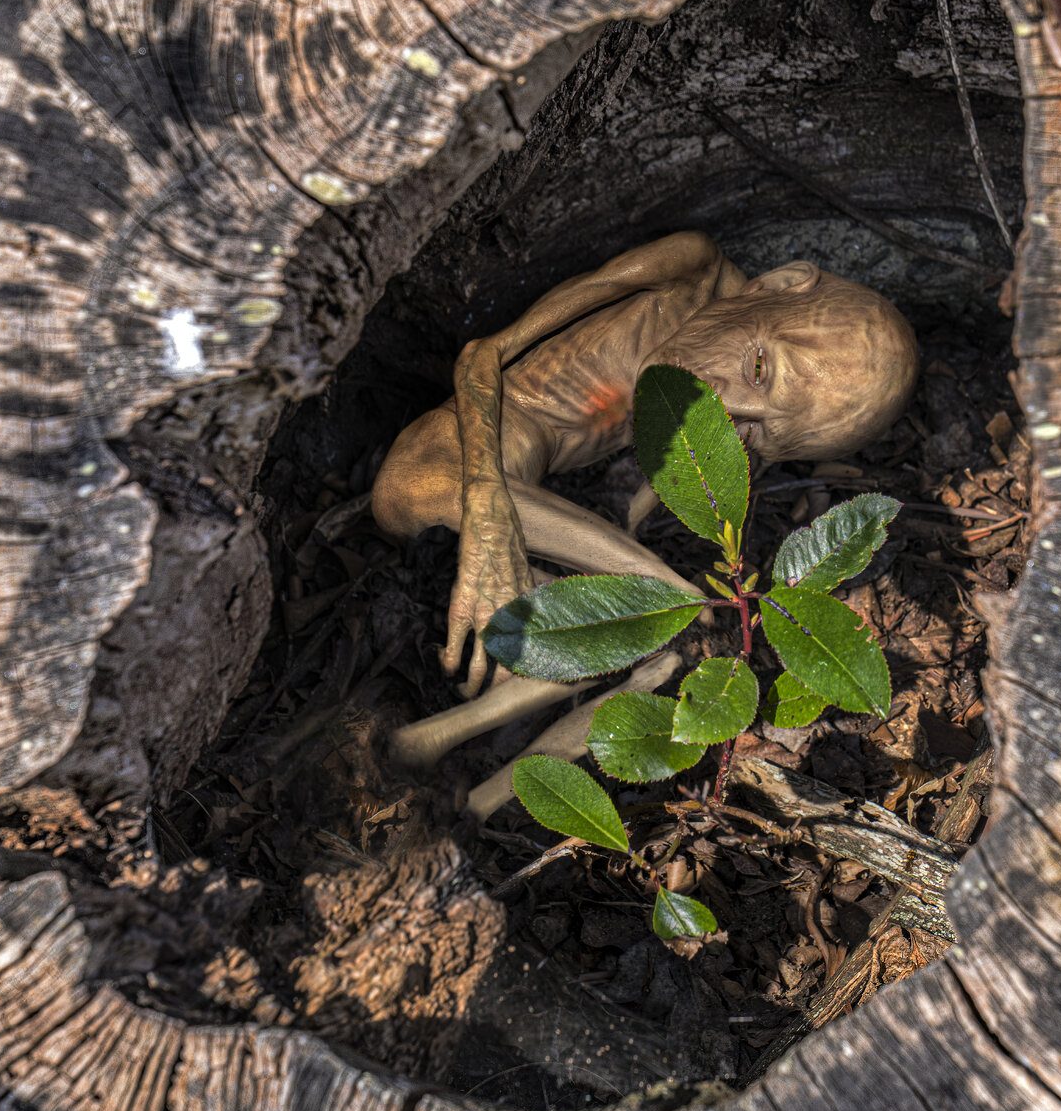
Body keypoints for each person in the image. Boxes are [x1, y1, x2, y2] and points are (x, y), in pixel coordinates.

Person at [372, 231, 918, 762]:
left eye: (753, 432)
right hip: (471, 445)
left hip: (529, 494)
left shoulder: (704, 419)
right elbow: (481, 355)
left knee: (641, 643)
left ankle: (451, 762)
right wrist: (491, 516)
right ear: (779, 283)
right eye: (757, 369)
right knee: (413, 492)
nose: (722, 405)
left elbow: (637, 504)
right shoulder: (689, 267)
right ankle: (669, 599)